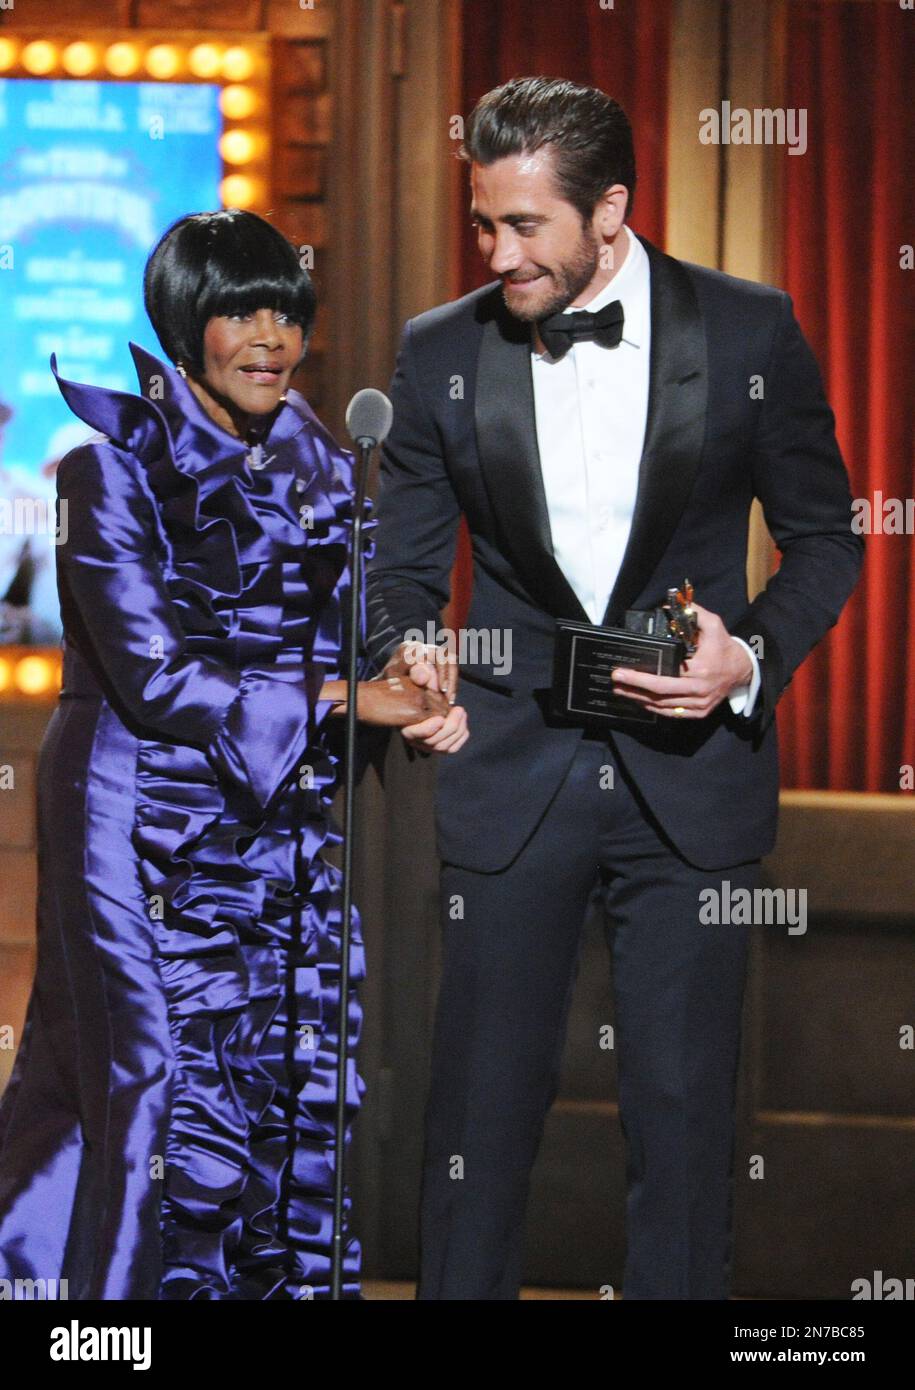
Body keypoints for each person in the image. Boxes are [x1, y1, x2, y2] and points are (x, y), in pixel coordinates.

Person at [365, 77, 863, 1299]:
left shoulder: (750, 331)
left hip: (691, 784)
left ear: (613, 213)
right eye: (485, 223)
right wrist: (413, 654)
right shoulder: (442, 351)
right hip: (509, 776)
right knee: (475, 1133)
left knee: (685, 1132)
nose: (499, 252)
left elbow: (828, 538)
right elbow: (401, 574)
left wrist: (745, 655)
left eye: (526, 226)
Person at [0, 208, 449, 1300]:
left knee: (275, 1076)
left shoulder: (320, 455)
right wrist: (350, 695)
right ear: (184, 322)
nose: (269, 337)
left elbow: (360, 611)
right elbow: (152, 677)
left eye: (286, 313)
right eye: (239, 313)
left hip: (272, 813)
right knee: (147, 1075)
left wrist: (417, 666)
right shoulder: (100, 471)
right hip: (129, 812)